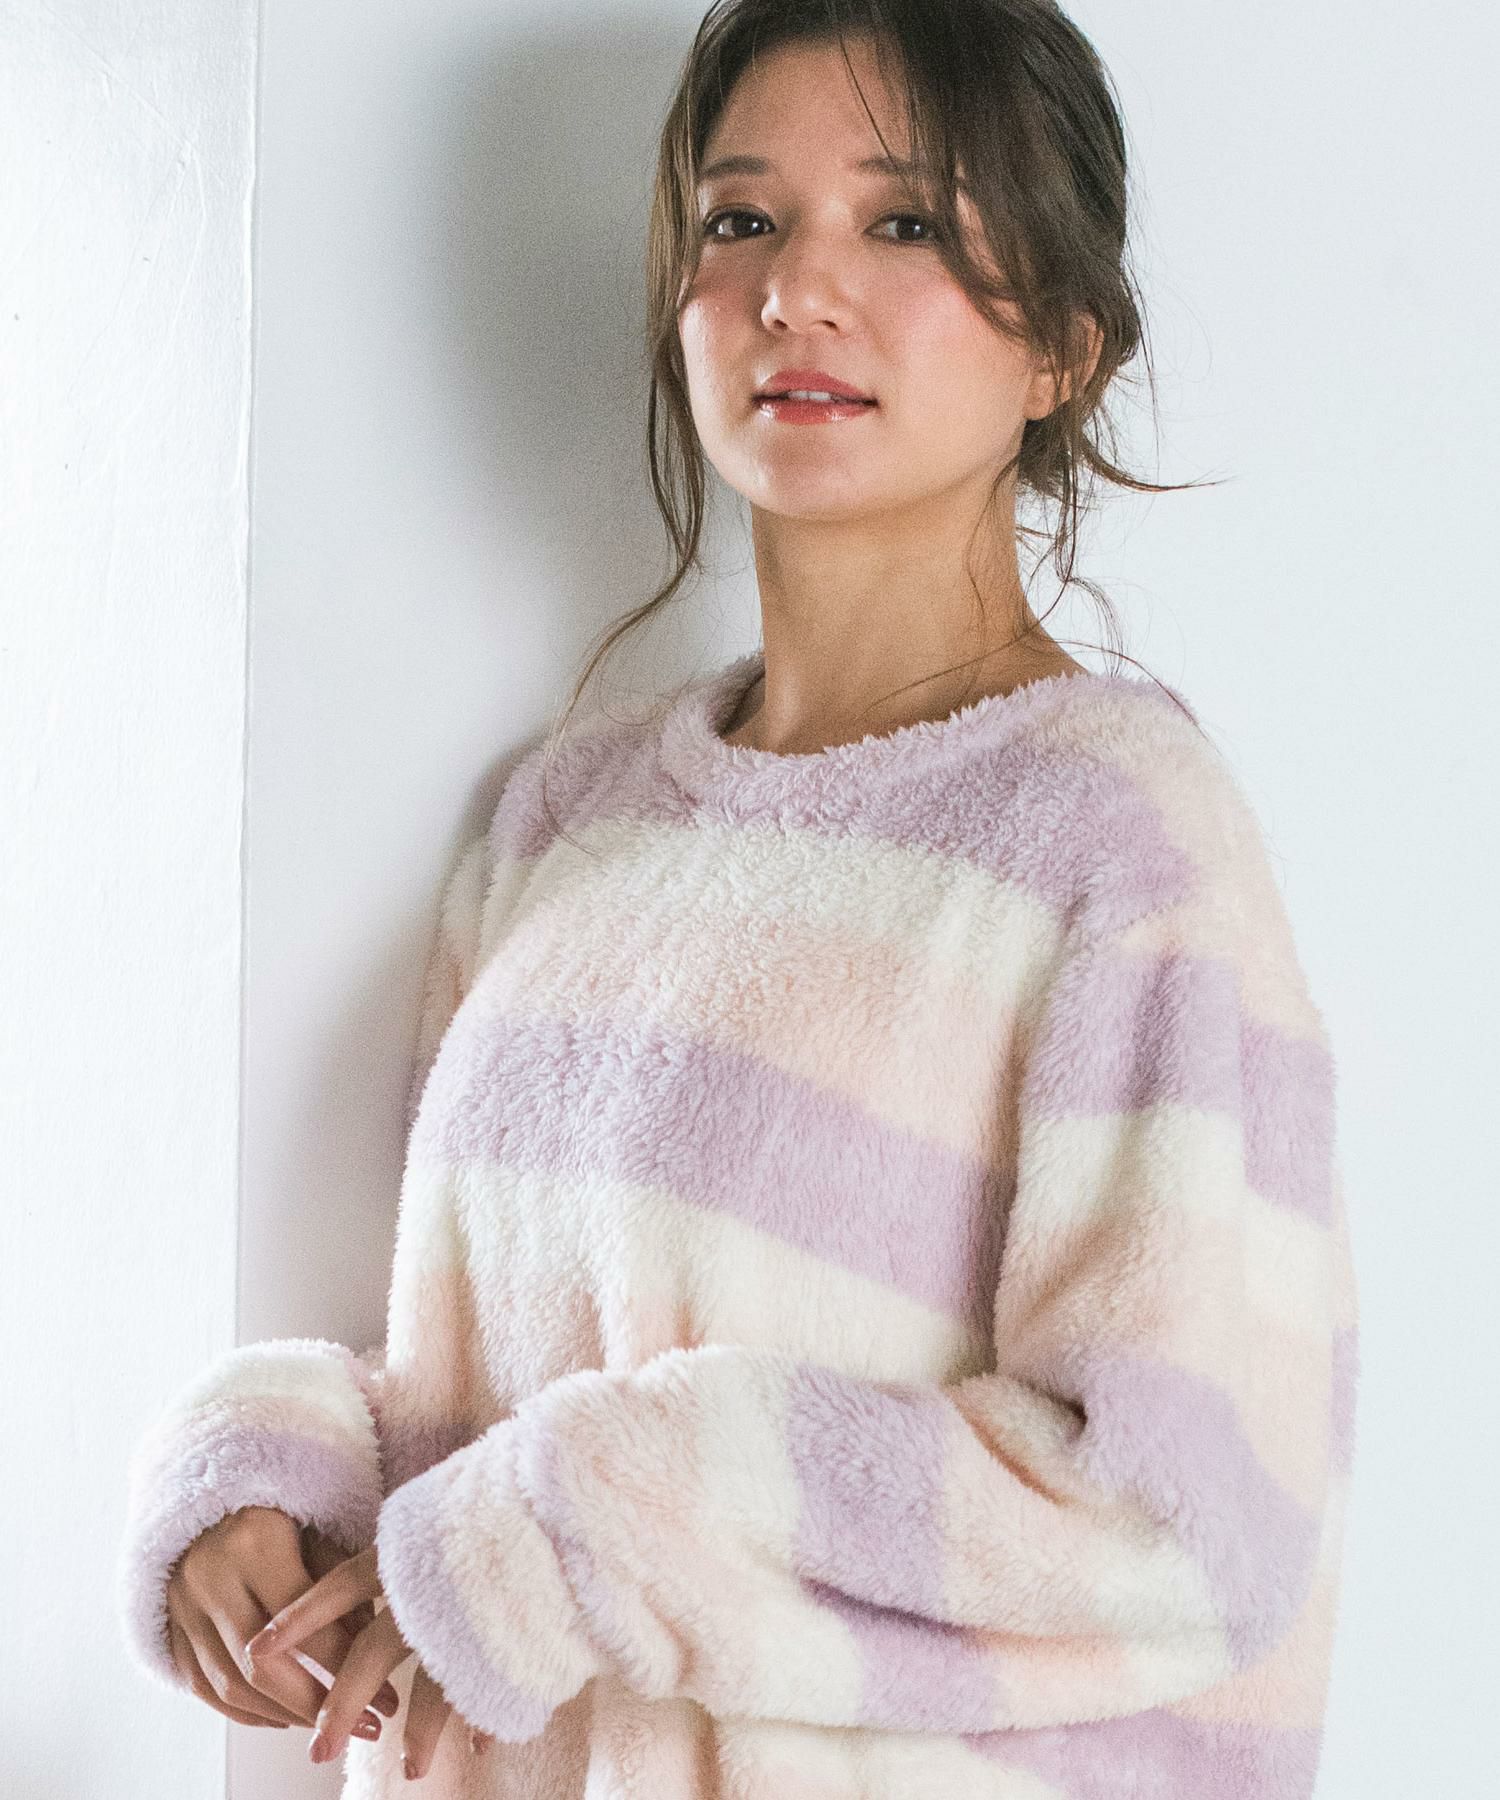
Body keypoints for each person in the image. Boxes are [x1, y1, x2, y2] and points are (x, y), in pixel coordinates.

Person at [116, 2, 1361, 1795]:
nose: (797, 289)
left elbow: (1181, 1521)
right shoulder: (569, 819)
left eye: (905, 220)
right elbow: (473, 1395)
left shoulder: (1118, 838)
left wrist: (599, 1512)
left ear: (1063, 346)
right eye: (741, 220)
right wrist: (261, 1481)